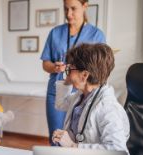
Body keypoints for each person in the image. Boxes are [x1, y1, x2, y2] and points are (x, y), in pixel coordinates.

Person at [52, 43, 131, 155]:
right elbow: (61, 104)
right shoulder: (82, 96)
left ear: (84, 75)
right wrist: (68, 79)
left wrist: (73, 146)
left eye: (70, 69)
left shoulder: (108, 107)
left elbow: (118, 152)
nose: (67, 72)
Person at [41, 0, 106, 145]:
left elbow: (100, 68)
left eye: (73, 9)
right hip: (57, 90)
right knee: (56, 137)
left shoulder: (97, 35)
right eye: (65, 9)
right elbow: (45, 64)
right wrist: (55, 68)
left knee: (80, 138)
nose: (68, 14)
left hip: (84, 94)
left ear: (85, 6)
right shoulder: (55, 32)